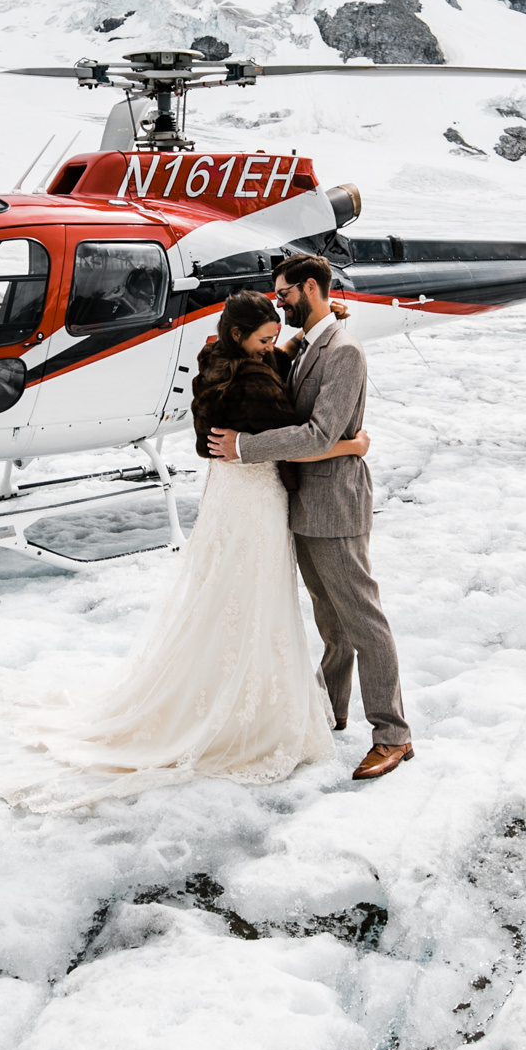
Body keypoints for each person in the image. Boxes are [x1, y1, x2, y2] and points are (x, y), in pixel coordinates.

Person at [10, 289, 372, 794]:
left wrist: (296, 342)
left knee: (230, 591)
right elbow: (297, 432)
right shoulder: (249, 381)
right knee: (252, 593)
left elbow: (261, 375)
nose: (273, 347)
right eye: (266, 340)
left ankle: (229, 690)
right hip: (254, 497)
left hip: (229, 493)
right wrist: (353, 443)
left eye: (275, 340)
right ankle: (245, 711)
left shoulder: (218, 359)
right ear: (241, 337)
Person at [211, 253, 413, 781]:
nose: (279, 303)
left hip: (336, 503)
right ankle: (334, 710)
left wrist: (245, 447)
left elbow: (320, 435)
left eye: (285, 294)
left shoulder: (343, 352)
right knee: (330, 618)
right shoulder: (308, 345)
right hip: (304, 502)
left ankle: (393, 735)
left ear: (308, 287)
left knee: (362, 620)